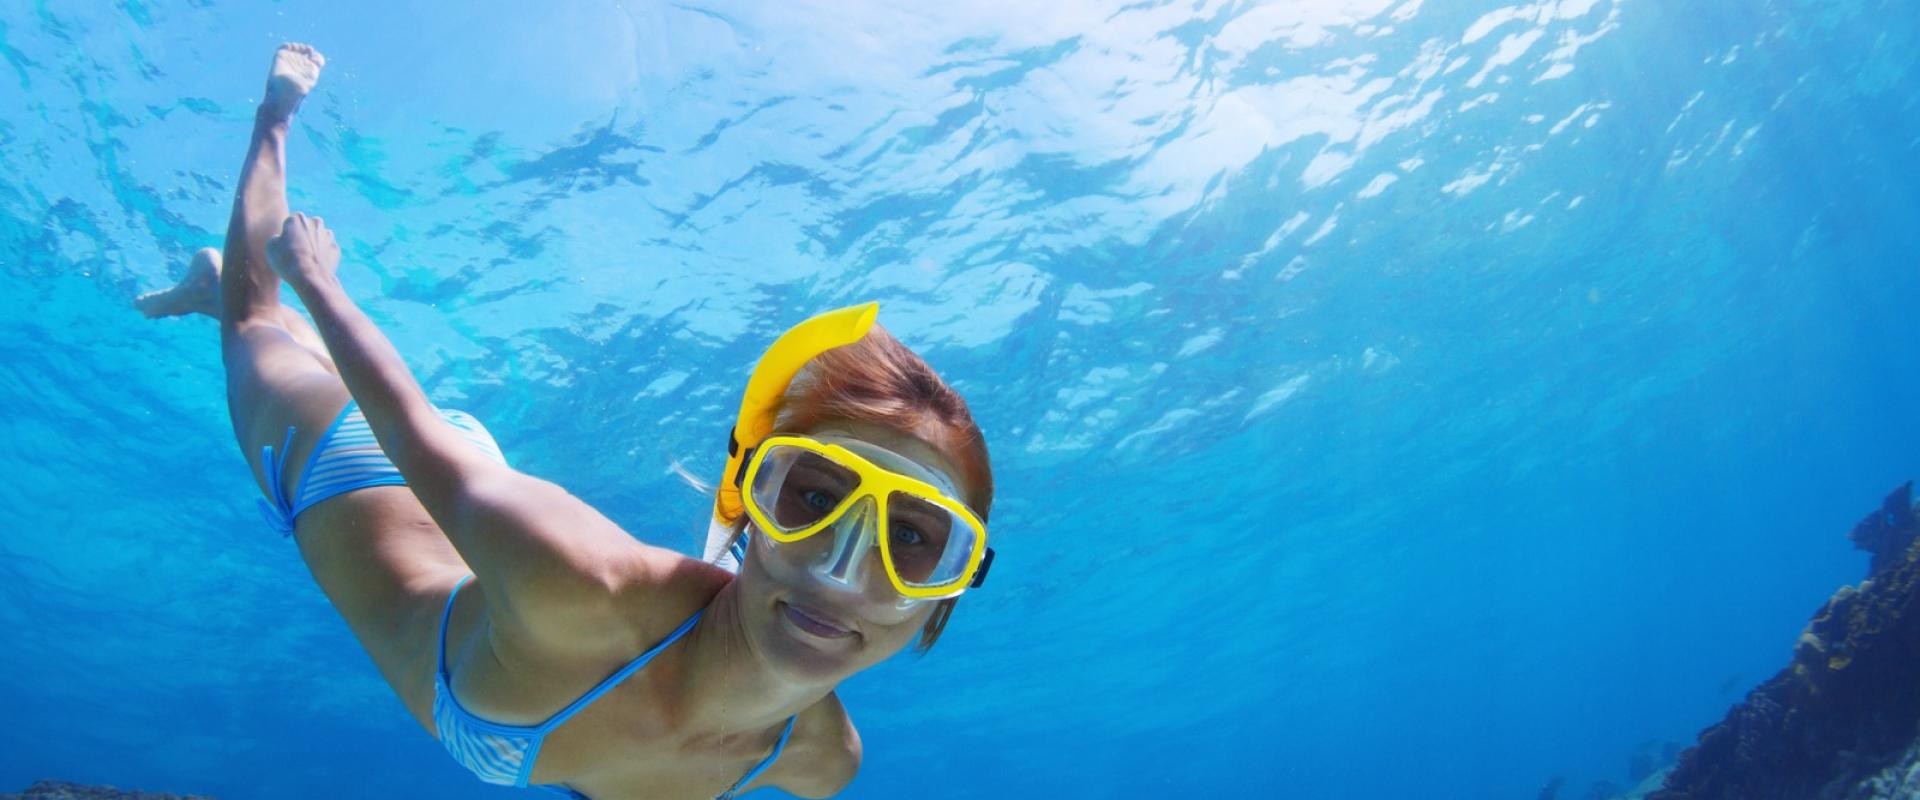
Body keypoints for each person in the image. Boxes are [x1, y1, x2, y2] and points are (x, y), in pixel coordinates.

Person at [138, 44, 996, 799]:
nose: (844, 574)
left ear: (944, 601)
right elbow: (412, 432)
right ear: (748, 506)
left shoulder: (820, 764)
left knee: (259, 323)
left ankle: (219, 288)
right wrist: (318, 285)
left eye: (916, 540)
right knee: (257, 321)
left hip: (483, 530)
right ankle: (274, 128)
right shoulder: (580, 585)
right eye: (811, 499)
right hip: (356, 464)